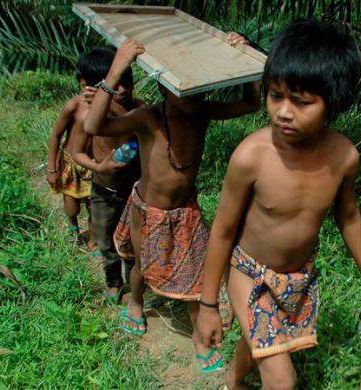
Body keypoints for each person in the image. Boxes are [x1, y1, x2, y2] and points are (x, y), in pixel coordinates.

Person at [195, 20, 361, 389]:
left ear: (334, 102)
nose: (284, 111)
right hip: (248, 272)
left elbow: (348, 216)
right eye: (275, 96)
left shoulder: (344, 156)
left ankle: (233, 382)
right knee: (281, 377)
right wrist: (208, 306)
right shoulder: (252, 156)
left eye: (302, 102)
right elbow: (221, 232)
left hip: (298, 278)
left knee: (263, 347)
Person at [82, 33, 261, 372]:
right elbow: (94, 125)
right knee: (141, 268)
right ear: (164, 87)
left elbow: (251, 104)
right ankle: (136, 303)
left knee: (197, 277)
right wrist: (117, 68)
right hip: (147, 211)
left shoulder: (203, 112)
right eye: (185, 89)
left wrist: (244, 56)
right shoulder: (149, 118)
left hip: (186, 212)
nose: (194, 97)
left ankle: (199, 335)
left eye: (199, 88)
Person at [70, 45, 145, 303]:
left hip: (135, 189)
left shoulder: (140, 110)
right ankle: (113, 280)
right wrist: (98, 167)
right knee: (105, 239)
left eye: (128, 82)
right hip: (104, 189)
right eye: (116, 85)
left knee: (134, 241)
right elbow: (76, 151)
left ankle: (134, 279)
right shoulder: (90, 116)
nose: (122, 90)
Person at [46, 49, 101, 247]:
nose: (89, 91)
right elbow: (56, 136)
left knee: (94, 205)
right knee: (72, 207)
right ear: (80, 82)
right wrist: (52, 168)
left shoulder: (106, 109)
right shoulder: (73, 106)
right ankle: (72, 225)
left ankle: (94, 240)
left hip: (93, 164)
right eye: (86, 85)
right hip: (71, 163)